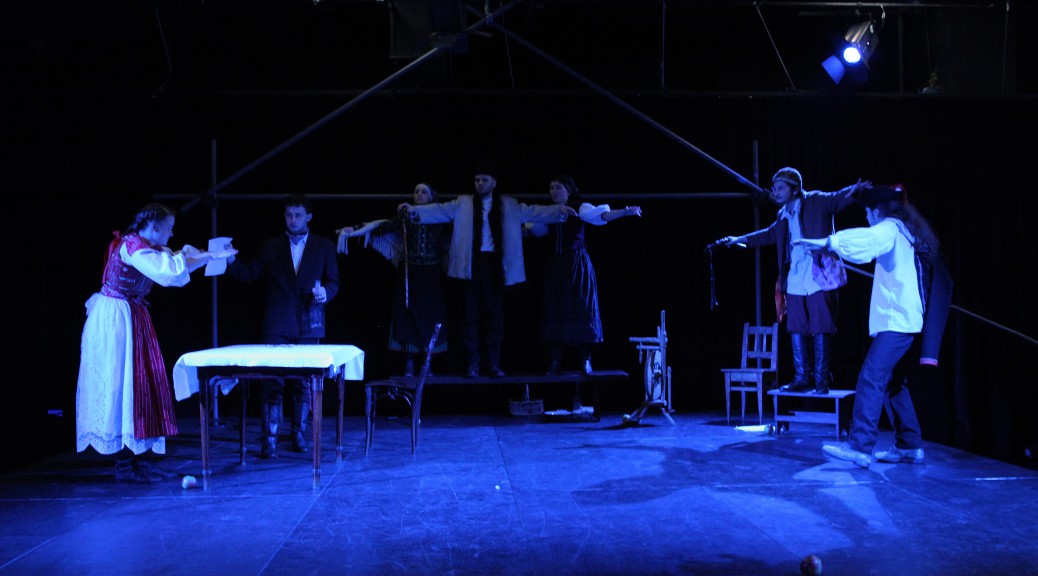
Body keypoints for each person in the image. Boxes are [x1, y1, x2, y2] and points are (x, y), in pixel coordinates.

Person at [796, 184, 941, 467]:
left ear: (877, 211)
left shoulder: (891, 227)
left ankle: (860, 446)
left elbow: (869, 240)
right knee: (893, 384)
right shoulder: (905, 230)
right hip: (905, 321)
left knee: (871, 378)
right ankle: (909, 445)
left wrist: (829, 242)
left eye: (868, 213)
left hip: (898, 322)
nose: (866, 217)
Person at [76, 203, 219, 482]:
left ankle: (136, 458)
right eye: (168, 228)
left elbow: (173, 264)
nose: (171, 234)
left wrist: (208, 257)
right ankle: (125, 465)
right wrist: (196, 256)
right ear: (154, 227)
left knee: (140, 385)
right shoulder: (133, 247)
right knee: (123, 386)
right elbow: (168, 273)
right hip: (116, 322)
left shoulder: (146, 247)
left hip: (131, 316)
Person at [399, 166, 575, 378]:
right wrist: (414, 211)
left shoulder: (508, 204)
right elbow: (440, 211)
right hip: (471, 265)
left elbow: (533, 211)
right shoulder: (463, 203)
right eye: (477, 180)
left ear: (493, 183)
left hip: (495, 265)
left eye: (484, 180)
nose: (480, 184)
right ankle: (473, 364)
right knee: (470, 317)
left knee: (495, 317)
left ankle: (493, 364)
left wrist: (558, 211)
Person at [716, 167, 870, 395]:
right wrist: (739, 239)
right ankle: (801, 377)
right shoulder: (782, 215)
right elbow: (769, 234)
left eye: (781, 188)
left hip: (819, 274)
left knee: (821, 326)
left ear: (795, 189)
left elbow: (837, 198)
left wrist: (855, 190)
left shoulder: (816, 201)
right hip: (796, 277)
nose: (776, 192)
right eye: (775, 188)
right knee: (796, 325)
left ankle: (821, 380)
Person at [225, 194, 340, 459]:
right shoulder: (271, 246)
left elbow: (334, 281)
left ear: (308, 216)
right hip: (277, 323)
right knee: (272, 382)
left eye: (298, 215)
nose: (293, 219)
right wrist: (230, 261)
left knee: (303, 383)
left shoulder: (324, 246)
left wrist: (326, 292)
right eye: (289, 215)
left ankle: (298, 434)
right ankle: (270, 438)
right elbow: (250, 273)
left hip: (309, 323)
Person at [527, 174, 642, 375]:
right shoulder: (549, 213)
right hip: (557, 266)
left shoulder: (580, 208)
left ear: (568, 190)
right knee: (556, 307)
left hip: (577, 264)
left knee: (582, 306)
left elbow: (602, 216)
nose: (554, 191)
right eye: (551, 187)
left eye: (558, 187)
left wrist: (624, 212)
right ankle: (555, 360)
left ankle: (585, 359)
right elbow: (532, 230)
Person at [336, 183, 450, 376]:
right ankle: (409, 363)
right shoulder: (406, 216)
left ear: (432, 196)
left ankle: (427, 363)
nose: (419, 194)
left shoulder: (441, 217)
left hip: (431, 276)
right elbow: (383, 226)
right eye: (416, 192)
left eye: (424, 192)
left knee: (430, 318)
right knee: (407, 315)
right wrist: (355, 229)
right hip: (409, 273)